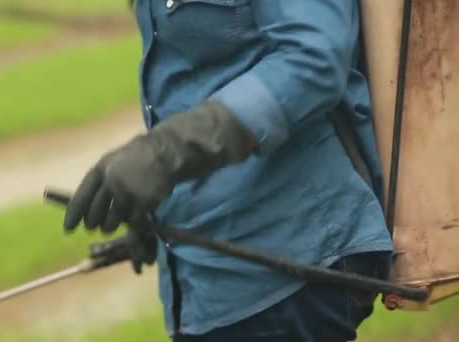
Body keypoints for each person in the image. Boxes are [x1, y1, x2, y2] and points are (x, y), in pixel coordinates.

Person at [62, 1, 393, 341]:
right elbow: (200, 79)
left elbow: (313, 59)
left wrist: (165, 153)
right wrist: (167, 215)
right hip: (204, 287)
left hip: (287, 267)